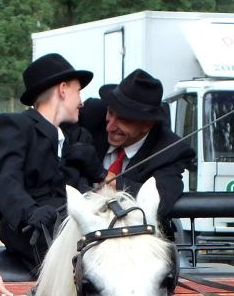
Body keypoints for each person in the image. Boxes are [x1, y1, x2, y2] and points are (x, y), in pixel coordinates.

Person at [0, 52, 102, 271]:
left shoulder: (74, 138)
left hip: (74, 227)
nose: (81, 102)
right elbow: (6, 180)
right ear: (62, 89)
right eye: (78, 92)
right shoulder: (14, 125)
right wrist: (30, 212)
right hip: (35, 233)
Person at [80, 68, 195, 228]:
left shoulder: (171, 151)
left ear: (147, 124)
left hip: (135, 242)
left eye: (123, 120)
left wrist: (103, 175)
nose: (110, 126)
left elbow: (161, 201)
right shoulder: (90, 115)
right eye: (110, 112)